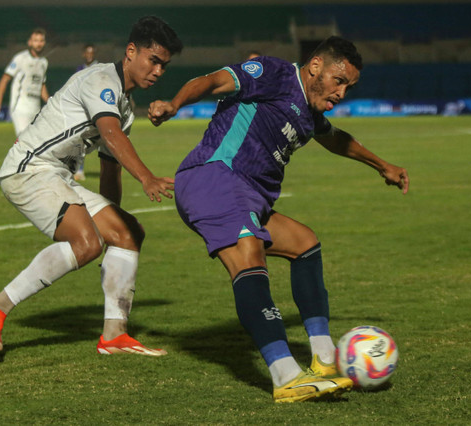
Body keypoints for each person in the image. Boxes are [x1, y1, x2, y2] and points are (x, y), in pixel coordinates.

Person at [148, 36, 409, 402]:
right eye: (339, 80)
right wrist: (174, 103)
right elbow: (212, 81)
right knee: (248, 253)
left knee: (305, 244)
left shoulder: (309, 112)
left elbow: (336, 140)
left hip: (248, 196)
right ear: (315, 66)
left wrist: (384, 166)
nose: (342, 93)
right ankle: (284, 374)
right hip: (214, 177)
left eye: (349, 87)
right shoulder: (274, 73)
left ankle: (323, 358)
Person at [0, 16, 183, 356]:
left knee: (128, 232)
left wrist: (115, 221)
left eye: (164, 65)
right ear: (131, 52)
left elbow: (110, 169)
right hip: (29, 169)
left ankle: (114, 335)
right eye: (153, 60)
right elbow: (111, 137)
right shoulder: (101, 80)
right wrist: (146, 177)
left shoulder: (125, 108)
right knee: (86, 243)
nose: (158, 71)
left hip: (56, 175)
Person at [0, 28, 50, 136]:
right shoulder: (20, 58)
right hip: (20, 107)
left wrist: (50, 102)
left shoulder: (44, 62)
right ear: (29, 42)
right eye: (35, 40)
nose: (38, 44)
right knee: (24, 142)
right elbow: (5, 79)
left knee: (35, 144)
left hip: (35, 108)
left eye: (41, 41)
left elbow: (42, 85)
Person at [73, 43, 100, 181]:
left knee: (102, 140)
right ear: (83, 54)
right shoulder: (79, 69)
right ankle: (79, 170)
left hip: (97, 109)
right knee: (80, 140)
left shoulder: (99, 69)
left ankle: (112, 169)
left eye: (91, 52)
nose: (89, 55)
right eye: (87, 53)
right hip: (83, 110)